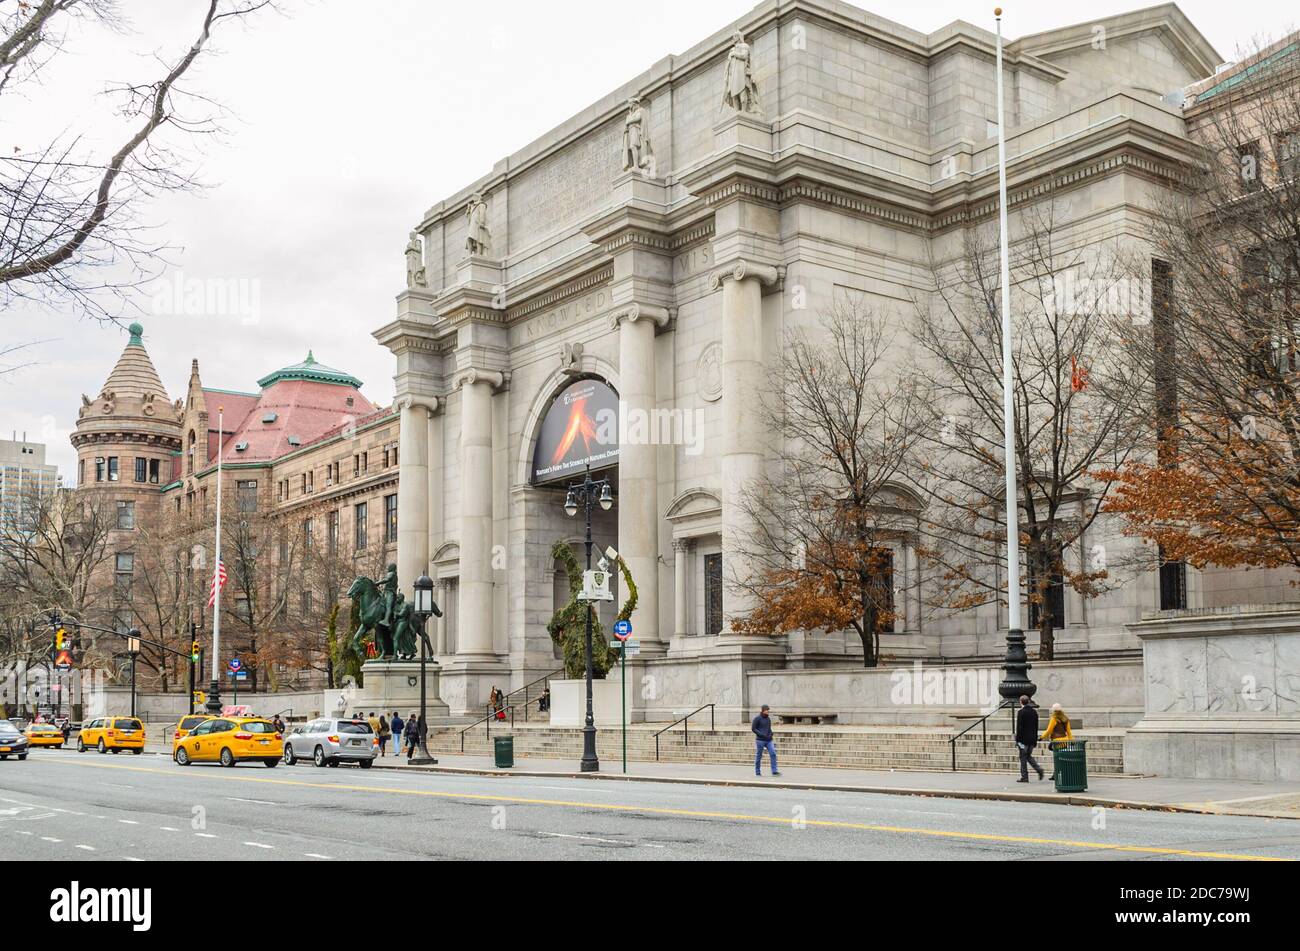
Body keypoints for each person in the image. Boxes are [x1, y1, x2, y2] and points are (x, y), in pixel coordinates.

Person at [1040, 702, 1074, 780]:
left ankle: (1055, 775)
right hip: (1065, 740)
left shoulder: (1054, 719)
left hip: (1057, 741)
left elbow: (1049, 730)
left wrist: (1042, 737)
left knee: (1057, 758)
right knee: (1061, 757)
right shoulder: (1065, 718)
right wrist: (1071, 740)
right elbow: (1069, 731)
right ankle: (1056, 774)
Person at [1015, 695, 1044, 782]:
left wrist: (1017, 740)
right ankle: (1039, 769)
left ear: (1021, 702)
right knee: (1028, 756)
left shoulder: (1021, 712)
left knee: (1023, 757)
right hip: (1032, 739)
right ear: (1028, 702)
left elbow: (1019, 728)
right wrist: (1035, 739)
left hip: (1023, 740)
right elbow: (1036, 727)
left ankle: (1024, 776)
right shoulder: (1034, 712)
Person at [751, 704, 781, 777]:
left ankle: (774, 771)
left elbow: (769, 728)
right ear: (763, 710)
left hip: (769, 740)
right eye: (767, 710)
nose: (768, 711)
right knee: (759, 756)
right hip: (760, 740)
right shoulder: (757, 718)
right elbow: (753, 728)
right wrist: (761, 734)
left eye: (768, 710)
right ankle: (757, 771)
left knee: (773, 753)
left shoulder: (768, 719)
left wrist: (771, 733)